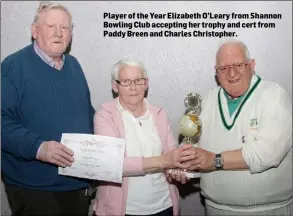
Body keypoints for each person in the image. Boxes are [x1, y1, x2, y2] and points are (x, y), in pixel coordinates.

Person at [1, 2, 95, 215]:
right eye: (51, 26)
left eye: (64, 28)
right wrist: (39, 148)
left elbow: (87, 113)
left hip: (77, 185)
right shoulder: (13, 66)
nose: (58, 33)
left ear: (71, 34)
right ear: (35, 31)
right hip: (35, 189)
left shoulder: (74, 65)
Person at [179, 40, 292, 215]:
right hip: (215, 209)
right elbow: (192, 141)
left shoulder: (273, 95)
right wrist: (183, 164)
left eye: (239, 65)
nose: (232, 73)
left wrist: (214, 160)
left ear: (252, 65)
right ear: (216, 72)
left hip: (268, 210)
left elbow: (268, 153)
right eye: (223, 68)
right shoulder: (207, 100)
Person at [92, 60, 193, 216]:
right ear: (115, 86)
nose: (133, 87)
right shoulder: (105, 116)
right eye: (126, 82)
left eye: (138, 81)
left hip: (163, 206)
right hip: (122, 211)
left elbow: (171, 153)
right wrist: (165, 161)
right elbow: (112, 164)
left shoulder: (159, 114)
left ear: (146, 84)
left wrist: (177, 169)